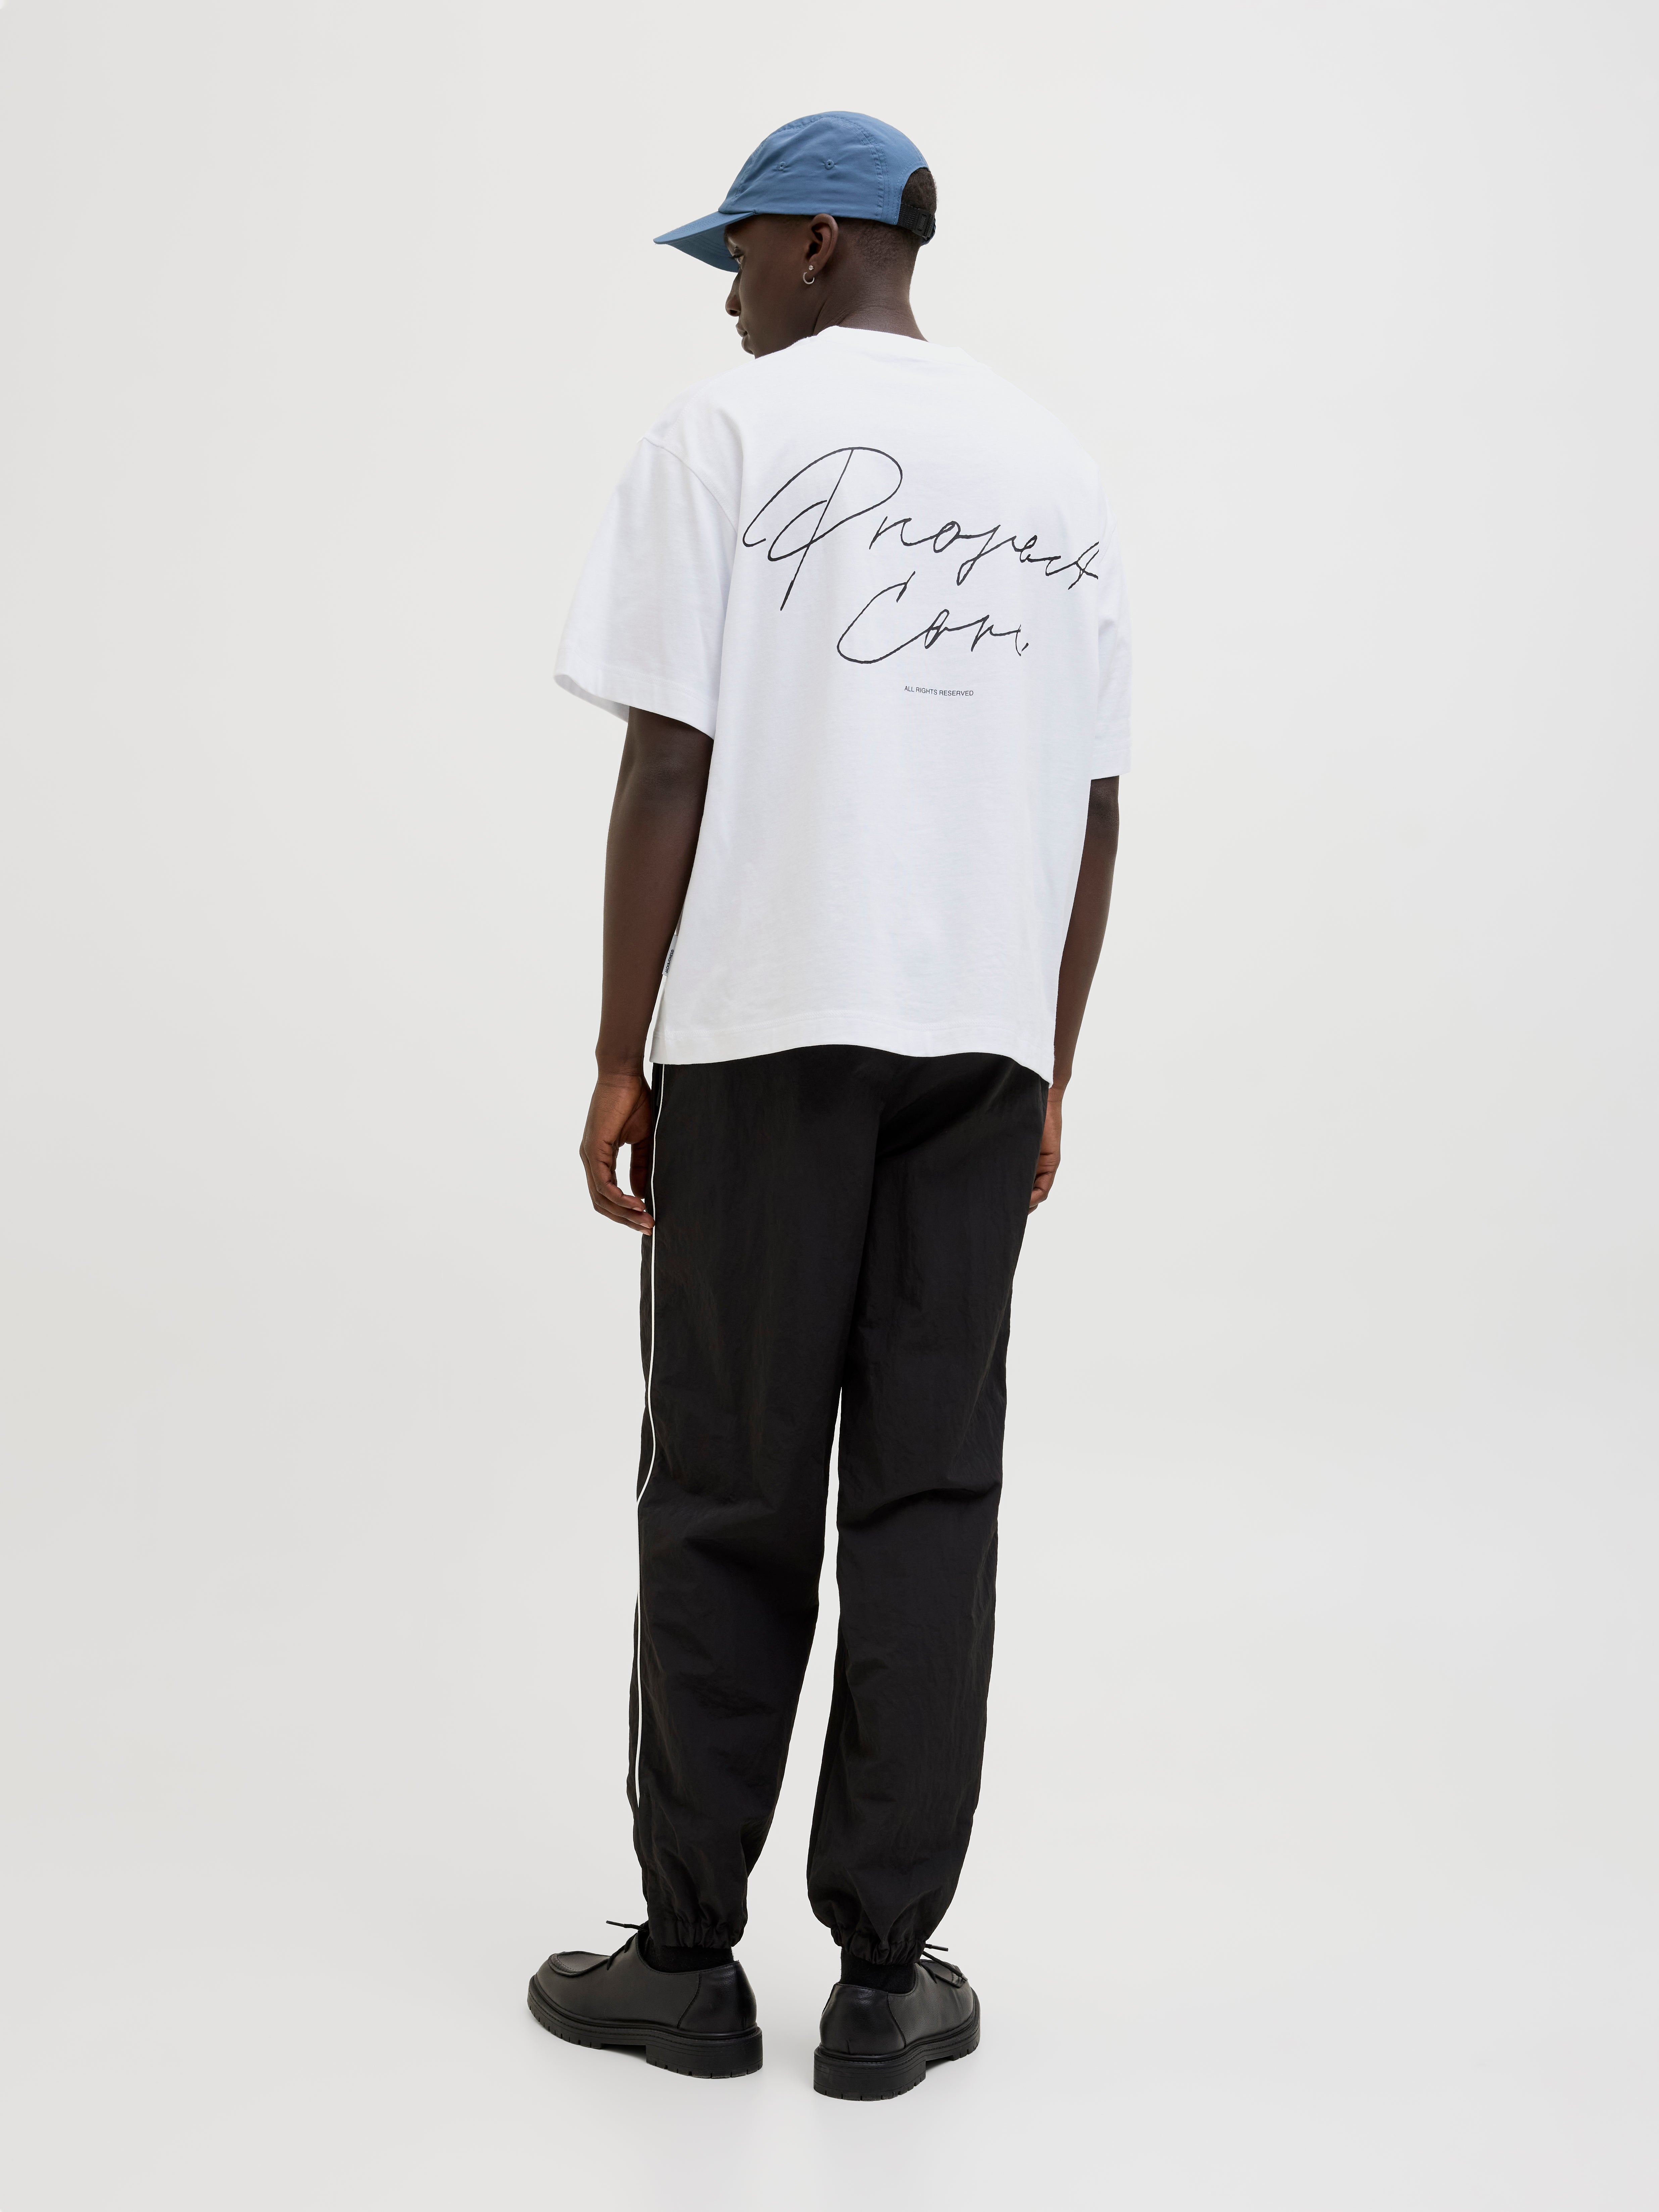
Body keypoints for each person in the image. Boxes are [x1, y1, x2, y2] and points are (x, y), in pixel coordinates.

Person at [526, 111, 1130, 2101]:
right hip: (978, 1047)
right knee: (932, 1497)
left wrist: (618, 1049)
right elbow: (1095, 804)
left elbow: (669, 763)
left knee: (728, 1484)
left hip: (770, 1031)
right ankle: (886, 1982)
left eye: (734, 254)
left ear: (812, 240)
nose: (722, 295)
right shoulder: (1053, 464)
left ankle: (688, 1964)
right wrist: (1050, 1054)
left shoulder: (722, 436)